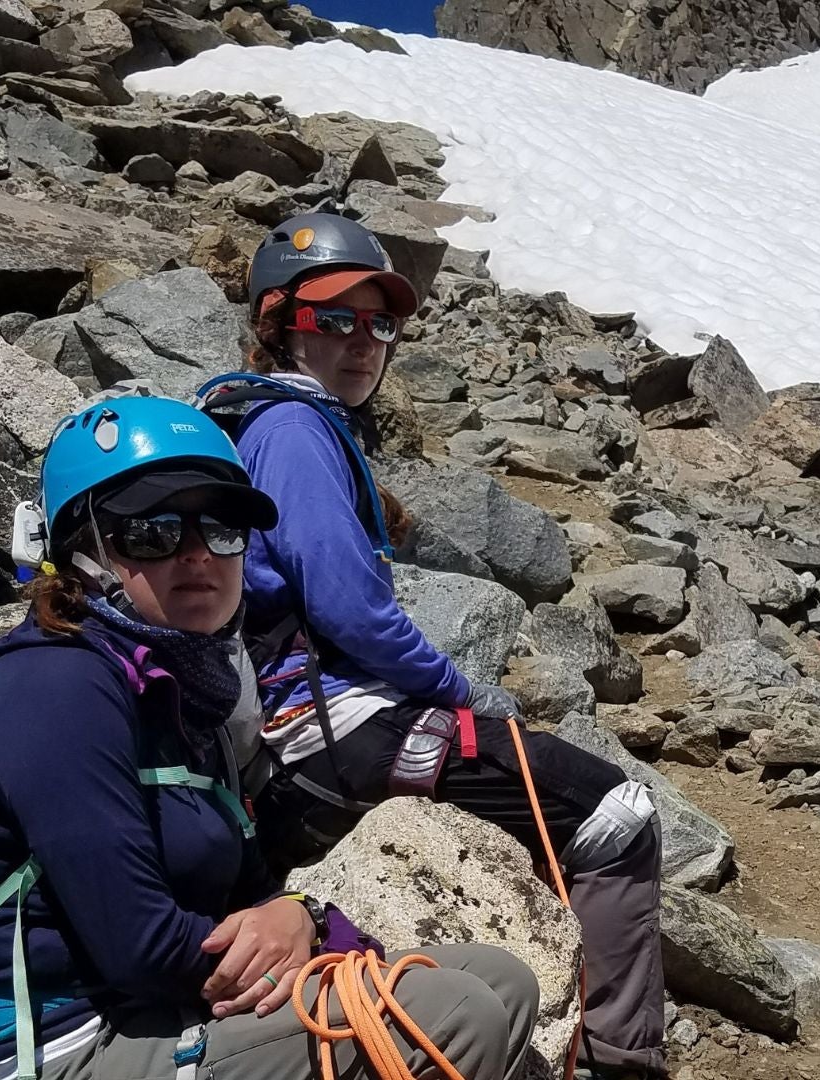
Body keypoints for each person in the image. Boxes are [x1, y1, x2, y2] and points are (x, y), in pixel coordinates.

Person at [0, 395, 539, 1080]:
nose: (199, 555)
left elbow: (252, 881)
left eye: (223, 527)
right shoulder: (58, 691)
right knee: (454, 1016)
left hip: (146, 1009)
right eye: (151, 531)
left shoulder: (181, 685)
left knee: (503, 982)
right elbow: (141, 947)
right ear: (79, 550)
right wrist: (317, 945)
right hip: (47, 1043)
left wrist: (300, 918)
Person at [198, 212, 666, 1079]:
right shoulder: (297, 432)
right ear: (277, 324)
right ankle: (623, 1065)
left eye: (380, 323)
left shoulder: (259, 420)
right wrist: (460, 688)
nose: (363, 342)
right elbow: (350, 610)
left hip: (293, 726)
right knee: (618, 816)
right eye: (333, 320)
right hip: (336, 726)